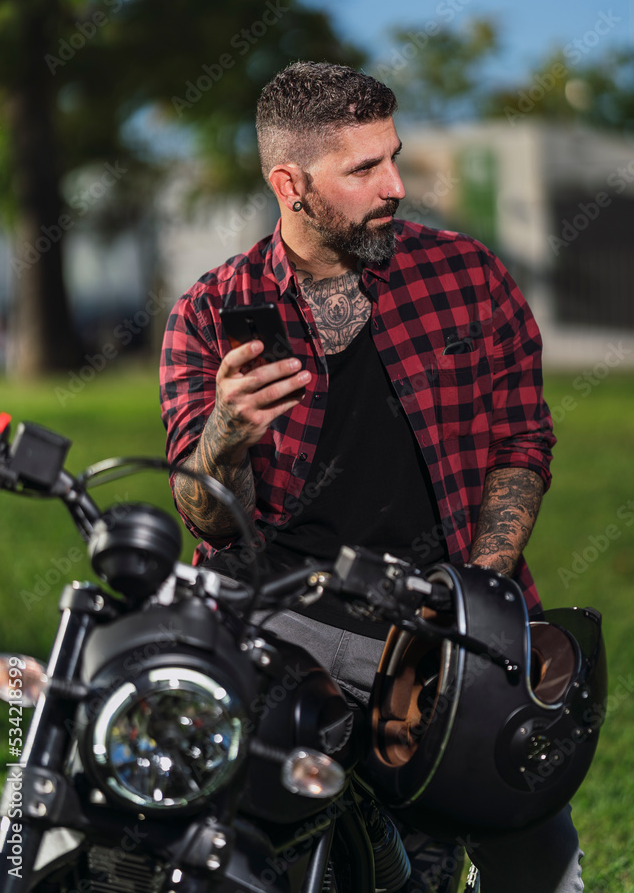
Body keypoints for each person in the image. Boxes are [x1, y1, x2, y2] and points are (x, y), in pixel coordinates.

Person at [160, 61, 583, 892]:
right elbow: (204, 516)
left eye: (393, 156)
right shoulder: (211, 311)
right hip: (284, 627)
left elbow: (521, 442)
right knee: (240, 854)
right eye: (363, 169)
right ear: (290, 183)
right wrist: (226, 436)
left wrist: (470, 607)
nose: (394, 184)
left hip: (453, 612)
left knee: (537, 858)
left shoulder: (466, 275)